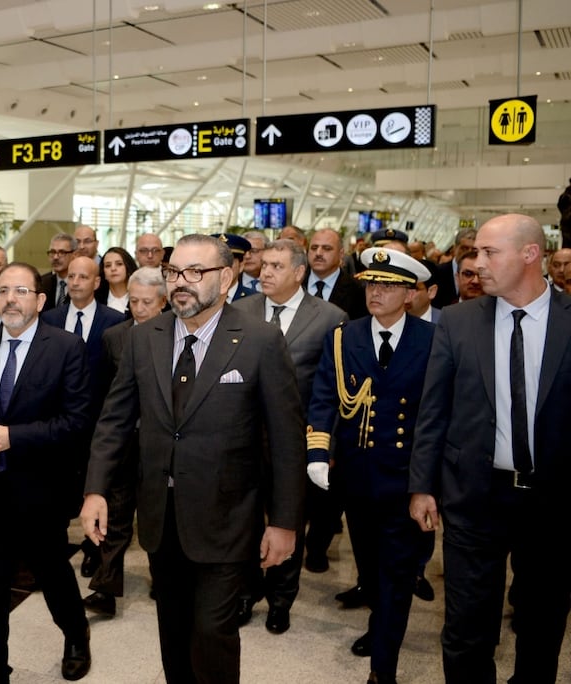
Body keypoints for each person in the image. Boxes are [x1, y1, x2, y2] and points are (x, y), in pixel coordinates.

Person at [81, 233, 306, 684]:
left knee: (212, 632)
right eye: (173, 272)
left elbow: (285, 441)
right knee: (173, 629)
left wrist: (284, 523)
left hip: (227, 520)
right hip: (162, 521)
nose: (180, 282)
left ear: (227, 277)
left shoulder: (260, 340)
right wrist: (95, 490)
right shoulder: (145, 338)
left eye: (194, 272)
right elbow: (114, 421)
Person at [410, 213, 571, 684]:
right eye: (475, 252)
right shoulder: (458, 322)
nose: (476, 263)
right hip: (474, 495)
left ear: (530, 255)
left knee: (542, 622)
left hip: (553, 501)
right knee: (466, 625)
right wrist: (421, 486)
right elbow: (433, 410)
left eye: (488, 253)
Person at [0, 261, 93, 683]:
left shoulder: (66, 347)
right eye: (3, 291)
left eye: (21, 291)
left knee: (52, 572)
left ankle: (75, 631)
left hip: (41, 489)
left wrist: (14, 436)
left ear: (41, 300)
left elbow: (77, 421)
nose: (10, 299)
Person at [307, 248, 435, 684]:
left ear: (410, 294)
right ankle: (380, 626)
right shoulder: (345, 337)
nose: (375, 292)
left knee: (396, 574)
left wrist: (430, 483)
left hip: (405, 479)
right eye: (371, 283)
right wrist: (318, 452)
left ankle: (384, 667)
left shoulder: (432, 340)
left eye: (387, 285)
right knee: (370, 567)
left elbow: (439, 415)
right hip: (357, 478)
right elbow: (324, 395)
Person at [232, 238, 347, 634]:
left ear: (299, 273)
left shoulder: (330, 317)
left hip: (294, 441)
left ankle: (281, 599)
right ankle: (247, 592)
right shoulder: (240, 309)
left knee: (287, 520)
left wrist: (323, 445)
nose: (265, 272)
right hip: (243, 438)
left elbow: (331, 389)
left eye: (276, 266)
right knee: (244, 520)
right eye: (264, 265)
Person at [82, 266, 170, 617]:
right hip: (123, 442)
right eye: (133, 301)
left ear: (163, 302)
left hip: (158, 445)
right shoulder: (115, 337)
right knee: (115, 515)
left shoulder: (175, 337)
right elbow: (104, 392)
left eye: (147, 302)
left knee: (154, 517)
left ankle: (162, 581)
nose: (139, 308)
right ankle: (106, 588)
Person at [41, 256, 126, 581]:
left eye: (83, 276)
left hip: (97, 422)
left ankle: (94, 551)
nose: (75, 281)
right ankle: (54, 548)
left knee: (95, 487)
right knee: (57, 489)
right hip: (57, 422)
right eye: (72, 276)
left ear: (96, 282)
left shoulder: (114, 320)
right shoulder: (49, 318)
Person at [307, 228, 368, 320]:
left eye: (327, 248)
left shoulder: (357, 291)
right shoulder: (293, 283)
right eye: (314, 248)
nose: (318, 253)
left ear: (341, 254)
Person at [431, 228, 477, 308]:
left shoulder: (482, 276)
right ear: (455, 248)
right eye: (465, 248)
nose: (469, 252)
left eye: (474, 249)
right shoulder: (437, 272)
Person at [211, 233, 256, 302]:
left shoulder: (254, 300)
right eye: (216, 261)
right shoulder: (196, 297)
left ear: (241, 265)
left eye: (229, 262)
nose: (223, 268)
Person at [39, 233, 77, 311]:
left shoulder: (81, 283)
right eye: (52, 252)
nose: (56, 257)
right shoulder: (42, 283)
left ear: (74, 255)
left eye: (62, 252)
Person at [95, 247, 134, 314]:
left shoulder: (139, 296)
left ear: (128, 268)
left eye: (119, 264)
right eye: (108, 265)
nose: (113, 269)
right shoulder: (96, 300)